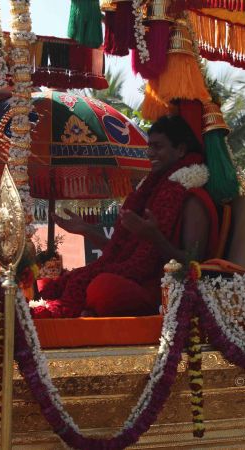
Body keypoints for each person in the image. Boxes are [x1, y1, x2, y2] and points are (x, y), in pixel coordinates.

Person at [33, 115, 219, 318]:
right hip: (136, 280)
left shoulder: (193, 199)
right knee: (58, 283)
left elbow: (193, 264)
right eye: (149, 146)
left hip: (162, 292)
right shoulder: (150, 192)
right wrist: (87, 230)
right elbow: (121, 254)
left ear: (181, 150)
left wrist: (154, 237)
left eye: (158, 147)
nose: (150, 153)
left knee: (102, 288)